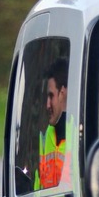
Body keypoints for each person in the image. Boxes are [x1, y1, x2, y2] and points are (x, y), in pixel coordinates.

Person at [35, 56, 70, 189]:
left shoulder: (79, 138)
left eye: (51, 96)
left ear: (63, 92)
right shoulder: (45, 139)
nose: (47, 105)